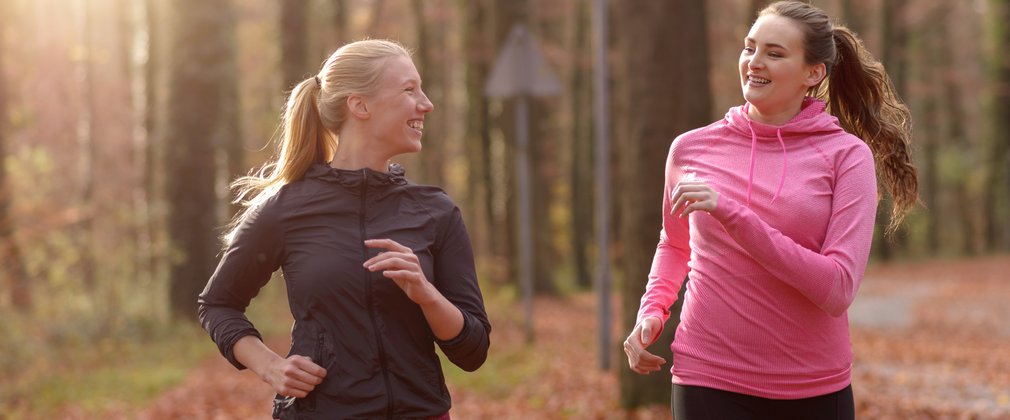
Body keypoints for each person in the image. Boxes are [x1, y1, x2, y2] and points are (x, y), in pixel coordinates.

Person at [623, 2, 917, 419]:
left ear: (813, 73)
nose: (753, 63)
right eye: (749, 48)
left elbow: (837, 289)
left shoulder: (846, 157)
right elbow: (674, 244)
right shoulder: (690, 149)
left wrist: (734, 214)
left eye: (774, 53)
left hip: (811, 386)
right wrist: (652, 310)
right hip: (706, 376)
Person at [198, 39, 490, 419]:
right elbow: (218, 303)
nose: (426, 103)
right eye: (409, 89)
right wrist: (269, 366)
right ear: (360, 105)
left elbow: (473, 351)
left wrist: (427, 294)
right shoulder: (287, 208)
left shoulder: (436, 211)